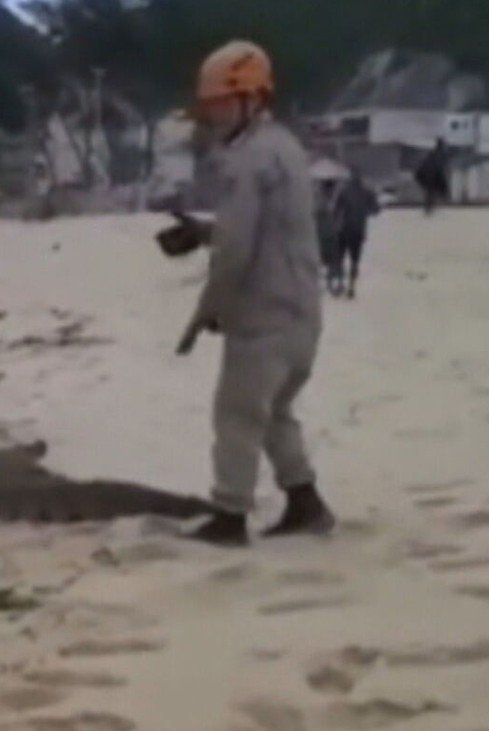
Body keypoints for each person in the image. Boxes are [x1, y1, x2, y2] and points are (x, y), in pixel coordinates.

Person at [176, 39, 335, 547]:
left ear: (250, 98)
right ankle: (306, 503)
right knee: (274, 413)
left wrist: (207, 311)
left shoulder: (247, 160)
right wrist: (204, 232)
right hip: (302, 313)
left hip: (264, 317)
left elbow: (237, 250)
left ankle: (229, 516)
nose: (213, 113)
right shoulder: (285, 148)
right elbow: (267, 229)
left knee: (237, 417)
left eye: (221, 102)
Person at [330, 169, 380, 300]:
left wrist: (334, 224)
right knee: (355, 260)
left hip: (344, 229)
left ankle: (340, 282)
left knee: (340, 257)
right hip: (358, 230)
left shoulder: (344, 191)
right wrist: (364, 211)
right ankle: (351, 286)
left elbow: (335, 210)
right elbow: (376, 210)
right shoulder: (367, 192)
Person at [415, 138, 449, 215]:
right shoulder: (440, 154)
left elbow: (436, 166)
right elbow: (438, 167)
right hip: (429, 174)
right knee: (432, 190)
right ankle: (429, 207)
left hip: (425, 173)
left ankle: (429, 207)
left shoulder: (434, 153)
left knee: (431, 190)